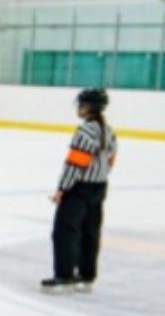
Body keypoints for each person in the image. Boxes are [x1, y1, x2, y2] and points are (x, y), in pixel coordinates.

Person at [43, 87, 117, 295]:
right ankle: (86, 276)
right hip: (99, 187)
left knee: (65, 232)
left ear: (87, 107)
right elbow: (110, 161)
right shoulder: (108, 130)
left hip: (79, 189)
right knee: (90, 232)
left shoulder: (85, 132)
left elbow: (75, 164)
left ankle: (64, 277)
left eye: (81, 104)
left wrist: (62, 189)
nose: (79, 108)